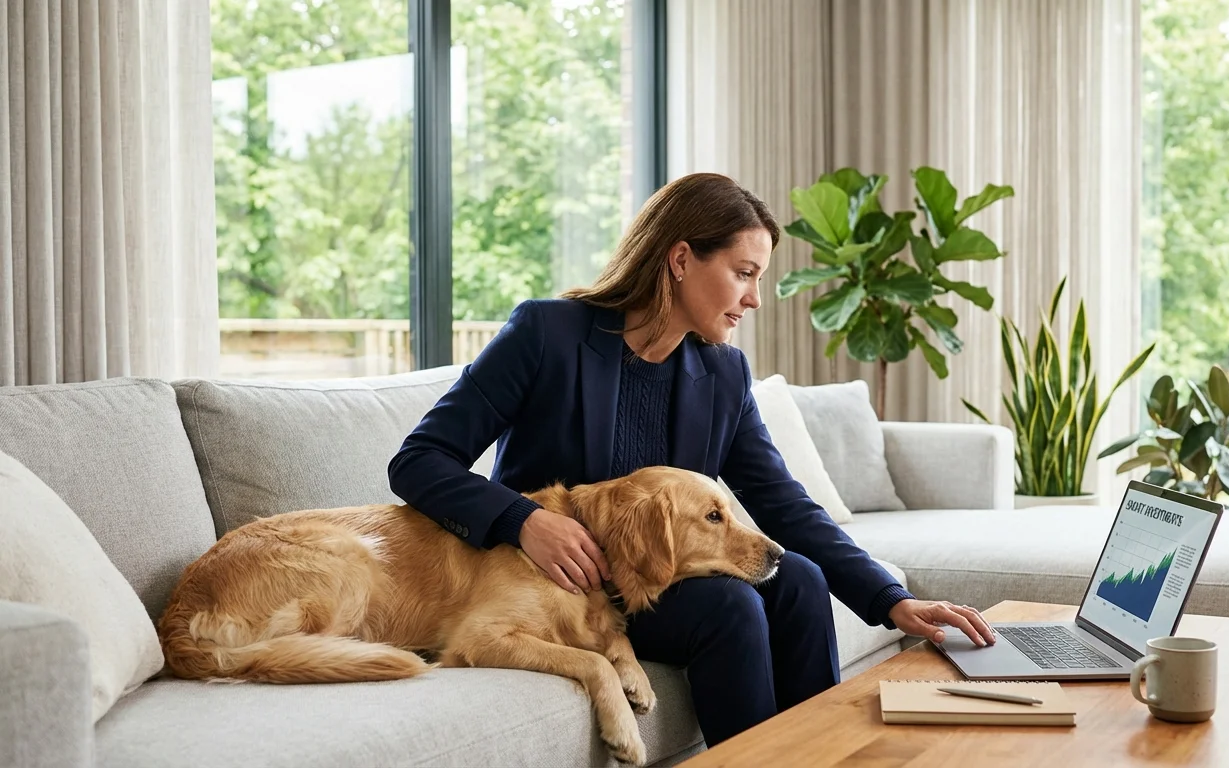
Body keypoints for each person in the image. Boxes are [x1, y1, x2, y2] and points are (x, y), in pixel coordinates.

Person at [388, 172, 996, 747]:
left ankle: (819, 756)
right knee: (729, 606)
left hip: (659, 582)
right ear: (681, 260)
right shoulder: (547, 334)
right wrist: (524, 520)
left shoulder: (722, 372)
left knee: (800, 579)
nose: (756, 298)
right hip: (564, 588)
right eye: (744, 273)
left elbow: (783, 504)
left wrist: (891, 599)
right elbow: (419, 460)